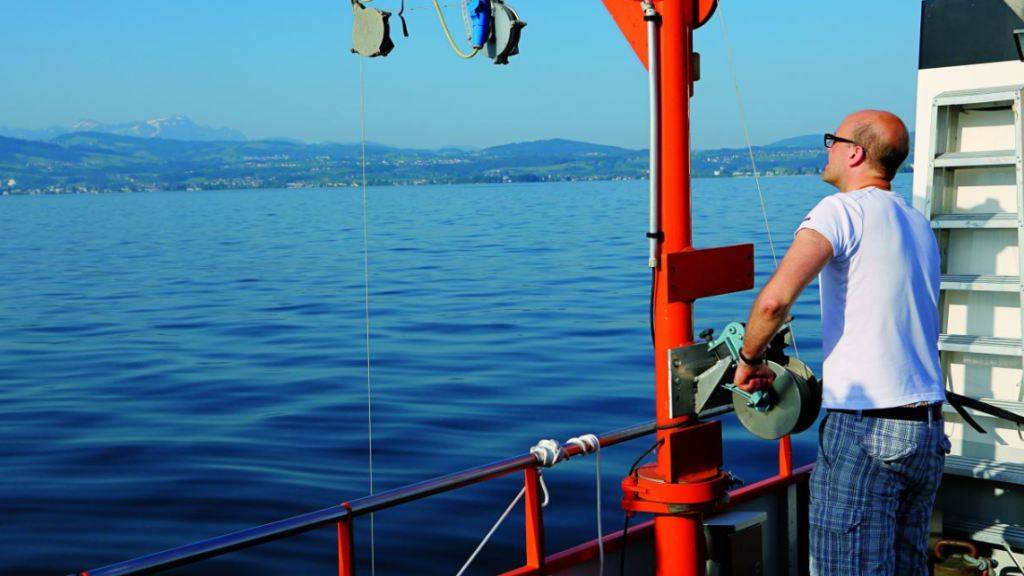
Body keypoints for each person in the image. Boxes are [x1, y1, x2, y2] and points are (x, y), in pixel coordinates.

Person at [733, 110, 949, 575]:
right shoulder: (916, 223)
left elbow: (773, 303)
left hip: (868, 431)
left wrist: (749, 358)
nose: (826, 147)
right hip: (927, 429)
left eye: (833, 139)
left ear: (856, 153)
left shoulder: (840, 211)